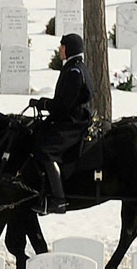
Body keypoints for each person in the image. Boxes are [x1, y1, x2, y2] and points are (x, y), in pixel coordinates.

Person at [27, 33, 93, 214]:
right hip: (69, 117)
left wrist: (43, 104)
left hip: (73, 122)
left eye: (62, 47)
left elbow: (64, 105)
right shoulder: (73, 67)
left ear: (69, 49)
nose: (59, 50)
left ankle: (59, 199)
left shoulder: (74, 72)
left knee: (46, 150)